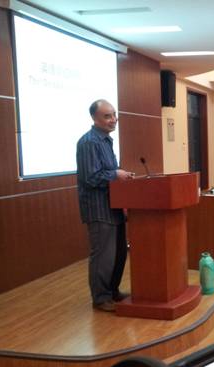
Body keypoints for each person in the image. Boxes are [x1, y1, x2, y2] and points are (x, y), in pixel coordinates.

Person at [76, 99, 135, 312]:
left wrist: (120, 175)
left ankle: (112, 291)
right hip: (99, 209)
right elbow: (90, 177)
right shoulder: (89, 142)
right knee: (103, 257)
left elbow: (107, 172)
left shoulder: (105, 140)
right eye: (107, 116)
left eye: (114, 115)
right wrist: (116, 174)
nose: (113, 119)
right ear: (94, 118)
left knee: (119, 254)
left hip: (114, 207)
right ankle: (101, 298)